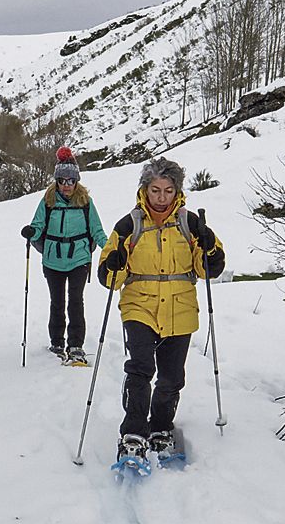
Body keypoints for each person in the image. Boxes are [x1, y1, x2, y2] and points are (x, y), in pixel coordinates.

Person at [96, 157, 225, 462]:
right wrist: (114, 265)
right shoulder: (129, 225)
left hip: (180, 308)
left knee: (171, 378)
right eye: (155, 190)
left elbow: (209, 270)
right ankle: (133, 433)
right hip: (138, 306)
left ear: (177, 191)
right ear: (145, 190)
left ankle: (161, 428)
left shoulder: (191, 224)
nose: (161, 197)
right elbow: (110, 278)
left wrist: (209, 248)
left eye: (168, 190)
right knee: (140, 369)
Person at [21, 147, 108, 365]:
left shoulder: (86, 202)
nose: (67, 185)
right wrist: (32, 232)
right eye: (62, 180)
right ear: (57, 180)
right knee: (57, 302)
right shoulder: (48, 201)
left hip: (79, 259)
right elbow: (38, 225)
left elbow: (97, 230)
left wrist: (110, 249)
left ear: (77, 181)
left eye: (71, 181)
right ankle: (57, 343)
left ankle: (76, 345)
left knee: (76, 302)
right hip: (53, 261)